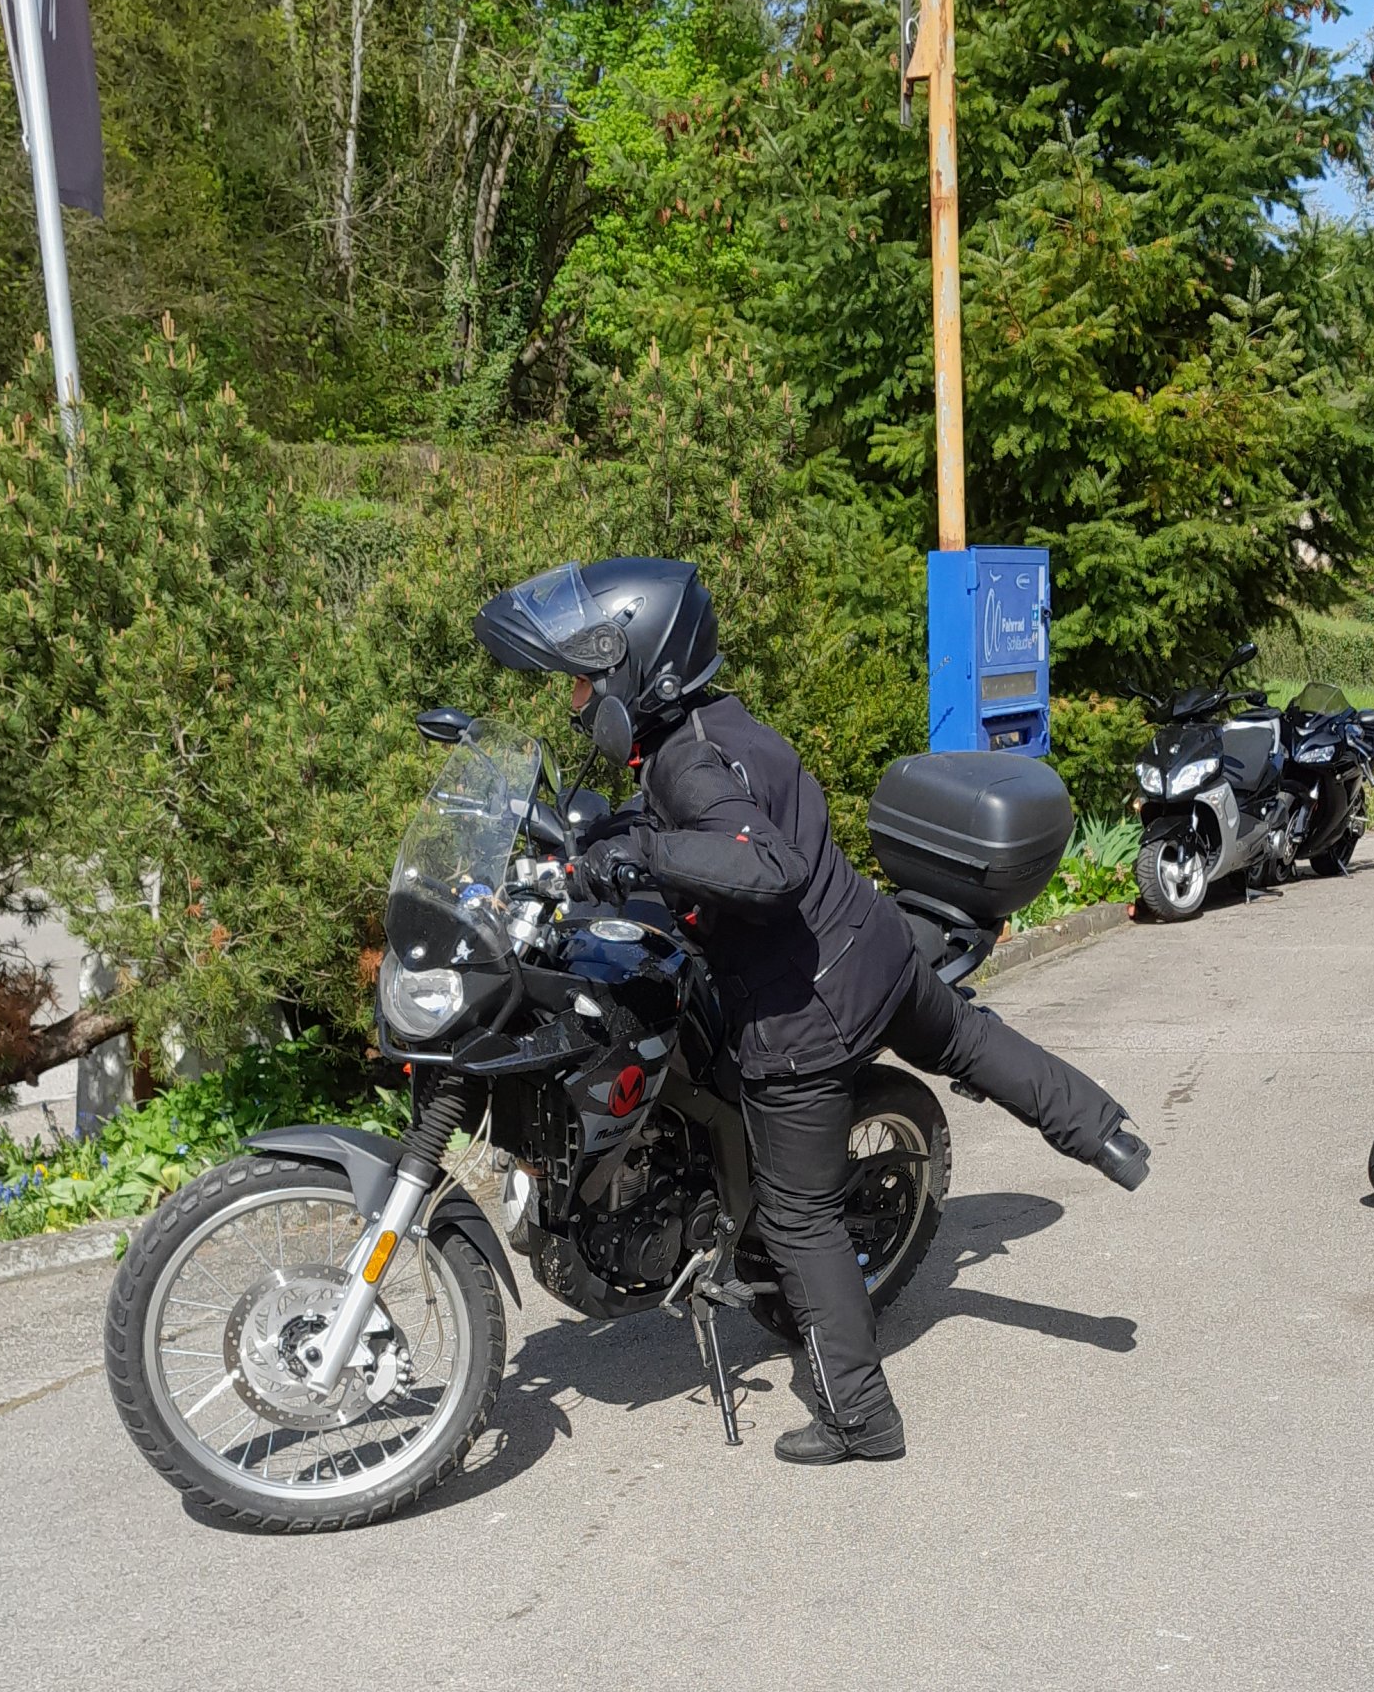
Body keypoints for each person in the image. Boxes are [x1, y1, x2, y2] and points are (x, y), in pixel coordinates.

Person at [473, 558, 1150, 1467]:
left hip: (804, 1016)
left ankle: (860, 1418)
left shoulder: (686, 761)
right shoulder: (717, 725)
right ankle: (1104, 1130)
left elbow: (766, 864)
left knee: (799, 1218)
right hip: (875, 947)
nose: (577, 700)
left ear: (642, 668)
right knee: (966, 1037)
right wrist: (609, 838)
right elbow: (706, 820)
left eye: (588, 681)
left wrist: (648, 858)